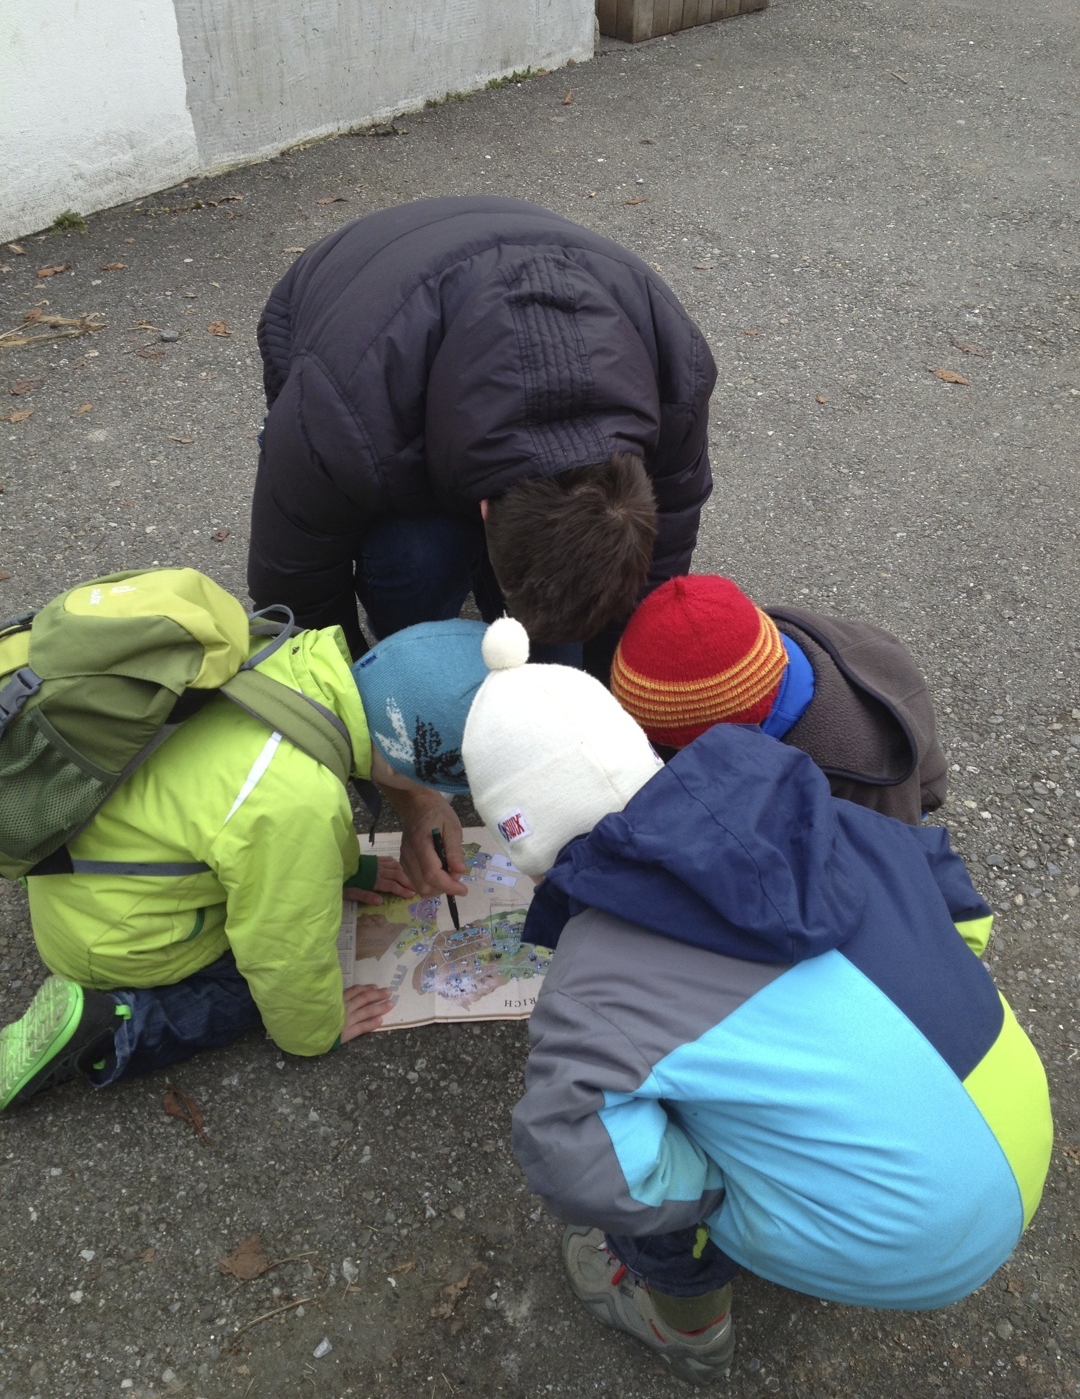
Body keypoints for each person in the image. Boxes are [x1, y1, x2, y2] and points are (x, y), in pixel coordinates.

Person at [460, 618, 1052, 1387]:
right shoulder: (827, 811)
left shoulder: (591, 977)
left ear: (523, 845)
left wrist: (713, 1184)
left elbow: (571, 1156)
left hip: (912, 1245)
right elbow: (963, 912)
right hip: (1021, 1118)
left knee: (651, 1192)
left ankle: (686, 1329)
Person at [0, 616, 488, 1111]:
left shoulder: (290, 660)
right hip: (116, 940)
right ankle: (114, 1028)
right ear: (399, 768)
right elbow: (281, 948)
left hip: (81, 871)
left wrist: (344, 871)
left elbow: (258, 811)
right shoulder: (298, 802)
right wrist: (316, 1030)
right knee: (251, 988)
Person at [248, 195, 717, 677]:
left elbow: (669, 539)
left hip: (481, 300)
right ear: (485, 509)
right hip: (347, 295)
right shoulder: (341, 413)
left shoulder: (674, 370)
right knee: (418, 555)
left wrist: (604, 688)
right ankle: (413, 650)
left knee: (561, 659)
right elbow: (296, 586)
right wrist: (361, 705)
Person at [610, 573, 947, 823]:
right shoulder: (758, 640)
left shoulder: (862, 768)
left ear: (737, 725)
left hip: (902, 795)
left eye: (679, 746)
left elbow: (894, 860)